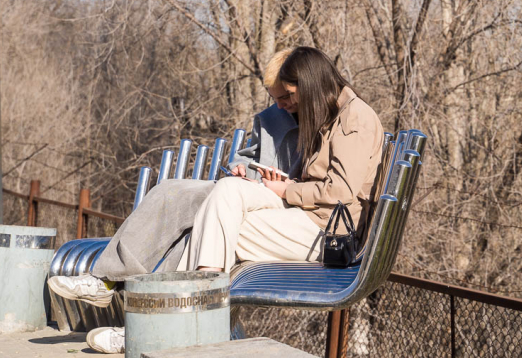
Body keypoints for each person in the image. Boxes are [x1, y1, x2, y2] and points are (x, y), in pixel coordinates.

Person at [47, 48, 302, 353]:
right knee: (181, 210)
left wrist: (281, 186)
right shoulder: (272, 118)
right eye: (274, 98)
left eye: (285, 97)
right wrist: (241, 167)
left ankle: (111, 289)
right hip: (242, 193)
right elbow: (249, 156)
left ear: (299, 85)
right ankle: (139, 324)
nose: (281, 105)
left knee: (184, 199)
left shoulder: (318, 116)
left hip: (276, 209)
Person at [182, 46, 384, 273]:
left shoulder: (354, 118)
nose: (282, 105)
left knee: (216, 229)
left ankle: (193, 298)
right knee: (229, 189)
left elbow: (340, 191)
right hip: (310, 214)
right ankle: (199, 294)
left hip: (330, 232)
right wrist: (283, 184)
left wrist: (287, 190)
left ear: (311, 85)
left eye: (288, 94)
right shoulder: (330, 113)